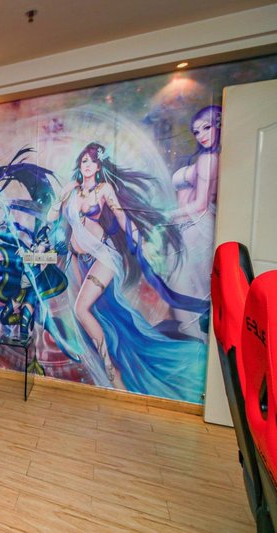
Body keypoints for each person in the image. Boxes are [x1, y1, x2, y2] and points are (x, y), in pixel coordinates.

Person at [48, 142, 207, 401]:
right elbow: (51, 219)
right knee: (101, 317)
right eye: (84, 161)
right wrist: (62, 195)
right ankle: (120, 366)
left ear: (99, 166)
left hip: (103, 258)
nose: (87, 165)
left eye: (92, 161)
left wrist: (141, 243)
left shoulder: (104, 189)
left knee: (81, 309)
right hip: (79, 261)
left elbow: (122, 218)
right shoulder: (73, 192)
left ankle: (112, 371)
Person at [168, 105, 221, 336]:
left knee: (190, 283)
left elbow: (200, 204)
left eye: (207, 128)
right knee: (191, 282)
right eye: (197, 131)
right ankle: (197, 336)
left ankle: (196, 336)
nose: (201, 135)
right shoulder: (208, 157)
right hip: (192, 225)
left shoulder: (209, 159)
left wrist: (167, 215)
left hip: (196, 226)